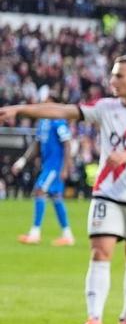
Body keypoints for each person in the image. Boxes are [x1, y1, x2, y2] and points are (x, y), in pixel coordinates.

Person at [0, 55, 126, 324]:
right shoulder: (105, 108)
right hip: (107, 192)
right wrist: (20, 109)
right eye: (113, 75)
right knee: (100, 252)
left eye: (119, 76)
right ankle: (95, 318)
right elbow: (61, 110)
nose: (112, 81)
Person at [12, 95, 77, 246]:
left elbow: (67, 144)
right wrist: (22, 161)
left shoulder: (59, 122)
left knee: (39, 191)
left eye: (48, 103)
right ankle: (67, 235)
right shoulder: (43, 122)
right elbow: (37, 144)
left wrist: (65, 168)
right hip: (48, 165)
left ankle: (35, 233)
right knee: (56, 197)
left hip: (55, 166)